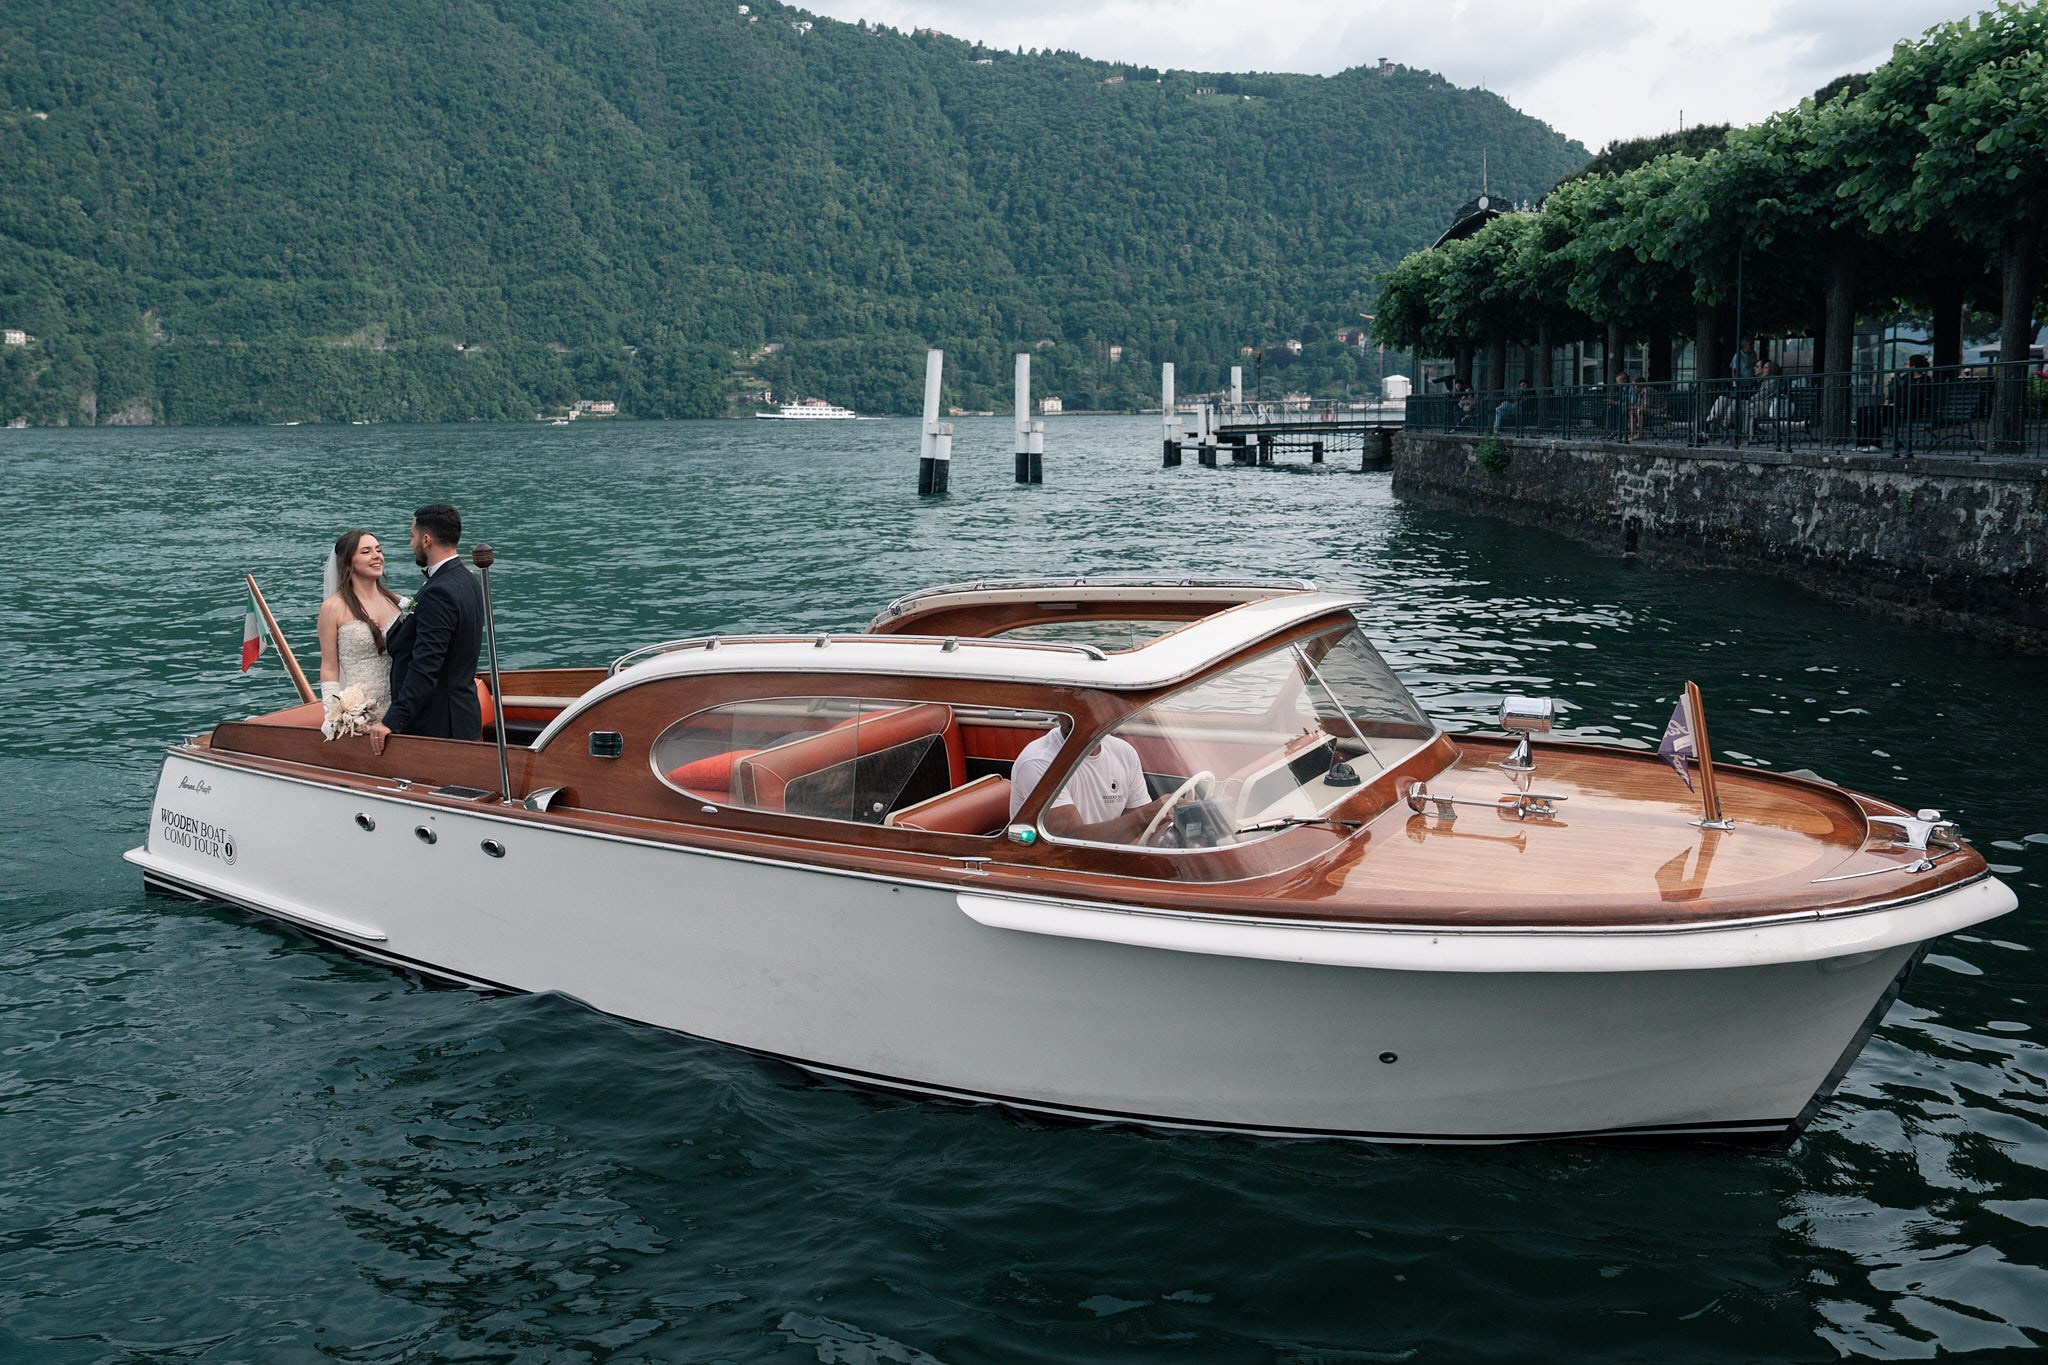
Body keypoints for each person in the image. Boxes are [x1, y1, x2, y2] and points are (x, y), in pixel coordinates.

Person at [367, 504, 484, 755]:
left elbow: (426, 665)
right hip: (462, 717)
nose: (411, 544)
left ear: (426, 539)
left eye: (412, 536)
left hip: (437, 726)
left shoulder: (438, 592)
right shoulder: (468, 581)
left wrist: (392, 720)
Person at [1009, 719, 1171, 842]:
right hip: (1058, 870)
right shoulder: (1039, 761)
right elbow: (1071, 841)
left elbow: (1140, 829)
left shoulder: (1123, 751)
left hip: (1104, 861)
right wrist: (1146, 815)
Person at [316, 528, 403, 719]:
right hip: (360, 710)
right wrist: (334, 714)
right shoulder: (333, 608)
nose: (377, 556)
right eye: (366, 552)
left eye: (378, 550)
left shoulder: (399, 603)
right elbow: (329, 667)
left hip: (399, 706)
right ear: (348, 562)